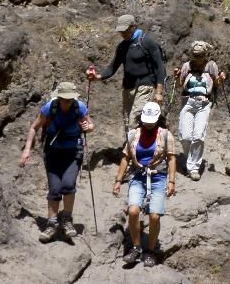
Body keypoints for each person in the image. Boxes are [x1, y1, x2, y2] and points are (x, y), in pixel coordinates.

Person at [18, 80, 92, 242]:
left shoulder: (79, 107)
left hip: (73, 152)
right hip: (53, 152)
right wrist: (27, 150)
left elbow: (91, 125)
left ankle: (66, 219)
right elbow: (34, 127)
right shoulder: (49, 108)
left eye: (69, 100)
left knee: (68, 185)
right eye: (63, 99)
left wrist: (88, 127)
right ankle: (52, 224)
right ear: (58, 97)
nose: (66, 103)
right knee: (55, 189)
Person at [113, 101, 177, 267]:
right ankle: (136, 247)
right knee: (133, 211)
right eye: (146, 120)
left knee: (154, 216)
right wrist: (118, 180)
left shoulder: (165, 135)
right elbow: (125, 157)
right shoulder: (133, 134)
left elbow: (171, 158)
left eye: (152, 121)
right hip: (138, 176)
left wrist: (171, 181)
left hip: (158, 177)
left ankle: (150, 249)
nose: (149, 124)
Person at [89, 13, 165, 148]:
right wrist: (98, 77)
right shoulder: (122, 46)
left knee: (134, 120)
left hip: (145, 86)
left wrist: (159, 92)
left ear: (133, 27)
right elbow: (112, 67)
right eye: (121, 31)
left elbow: (160, 67)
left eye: (125, 30)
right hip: (128, 88)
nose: (123, 34)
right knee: (127, 121)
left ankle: (137, 151)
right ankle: (134, 150)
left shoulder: (146, 42)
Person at [173, 40, 219, 180]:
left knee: (198, 136)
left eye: (200, 55)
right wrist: (177, 76)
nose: (197, 58)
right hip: (187, 102)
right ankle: (189, 158)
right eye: (195, 55)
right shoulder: (187, 66)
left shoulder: (211, 66)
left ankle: (193, 168)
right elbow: (180, 84)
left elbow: (216, 83)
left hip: (204, 104)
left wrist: (220, 79)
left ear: (205, 54)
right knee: (185, 136)